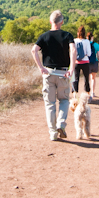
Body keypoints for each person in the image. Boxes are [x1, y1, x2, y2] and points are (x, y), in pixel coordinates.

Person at [31, 10, 76, 141]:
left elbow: (34, 50)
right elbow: (73, 50)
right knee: (64, 100)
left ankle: (53, 133)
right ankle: (61, 123)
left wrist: (40, 67)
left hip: (49, 73)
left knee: (50, 103)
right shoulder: (67, 35)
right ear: (62, 22)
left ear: (50, 21)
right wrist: (71, 69)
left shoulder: (44, 36)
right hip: (63, 73)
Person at [71, 26, 92, 98]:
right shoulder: (87, 41)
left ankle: (75, 94)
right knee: (86, 78)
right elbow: (89, 53)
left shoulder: (74, 40)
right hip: (85, 62)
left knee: (76, 78)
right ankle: (87, 94)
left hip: (76, 62)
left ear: (78, 33)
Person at [87, 32, 99, 100]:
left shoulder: (86, 44)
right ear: (92, 37)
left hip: (87, 62)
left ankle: (88, 92)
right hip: (94, 62)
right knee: (93, 78)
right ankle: (92, 92)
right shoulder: (96, 45)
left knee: (88, 78)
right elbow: (98, 56)